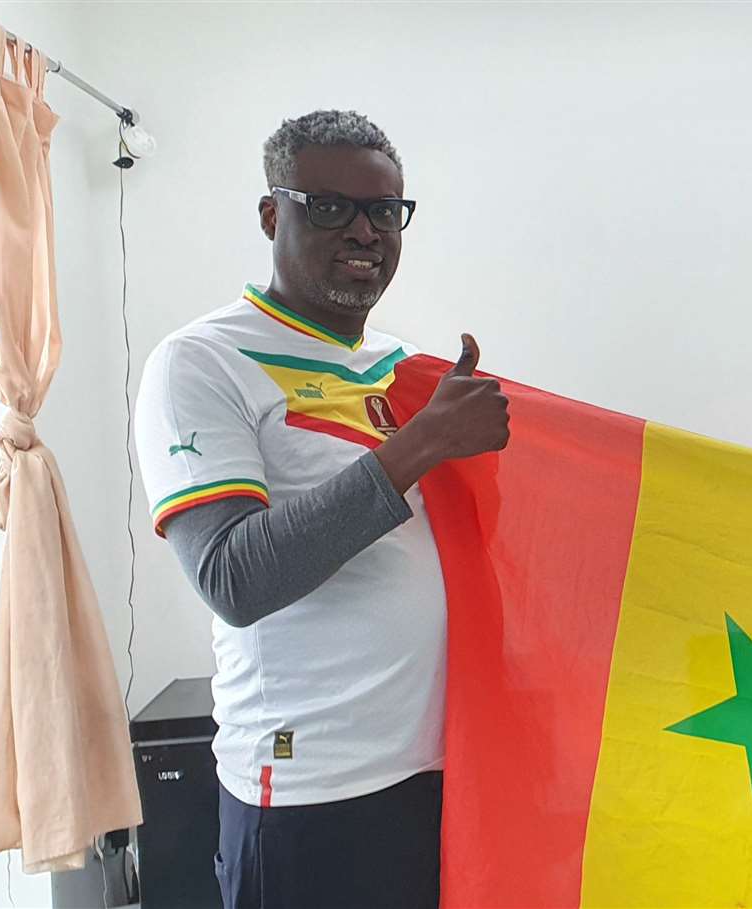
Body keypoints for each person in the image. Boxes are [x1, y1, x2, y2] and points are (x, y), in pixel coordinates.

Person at [135, 110, 510, 908]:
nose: (365, 231)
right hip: (311, 789)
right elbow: (233, 575)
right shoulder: (202, 361)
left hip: (440, 767)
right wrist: (423, 444)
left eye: (385, 210)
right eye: (331, 206)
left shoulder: (398, 367)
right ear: (274, 213)